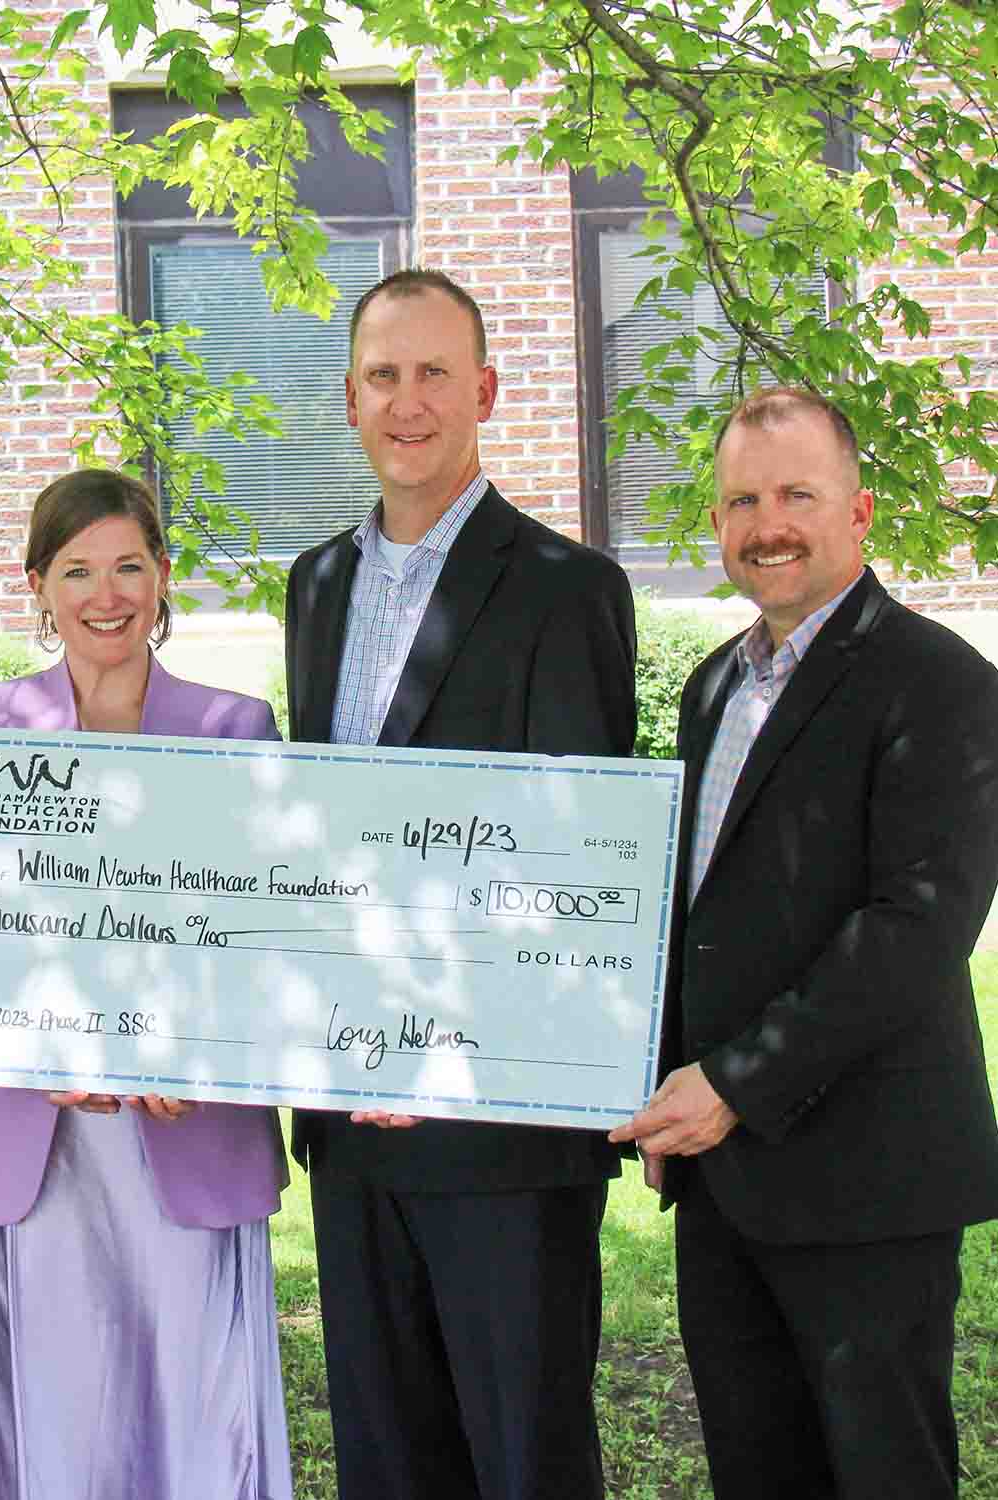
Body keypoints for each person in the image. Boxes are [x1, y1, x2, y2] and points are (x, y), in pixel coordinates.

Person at [283, 268, 637, 1500]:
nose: (408, 400)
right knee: (386, 1463)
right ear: (350, 400)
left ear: (482, 391)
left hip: (499, 1129)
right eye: (384, 375)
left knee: (522, 1459)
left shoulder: (565, 589)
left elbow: (571, 863)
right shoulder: (316, 585)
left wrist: (431, 1035)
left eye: (435, 372)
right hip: (351, 1124)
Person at [610, 386, 998, 1499]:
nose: (766, 522)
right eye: (741, 499)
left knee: (884, 1473)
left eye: (796, 494)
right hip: (725, 1182)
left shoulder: (941, 683)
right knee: (754, 1468)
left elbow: (916, 927)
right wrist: (655, 1077)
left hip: (869, 1181)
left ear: (861, 509)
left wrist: (733, 1080)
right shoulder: (712, 686)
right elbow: (703, 912)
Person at [0, 467, 293, 1500]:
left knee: (191, 1413)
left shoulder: (235, 727)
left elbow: (264, 933)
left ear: (165, 580)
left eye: (129, 566)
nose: (105, 594)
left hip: (182, 1128)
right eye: (77, 570)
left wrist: (197, 1047)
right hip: (17, 1141)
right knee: (35, 1414)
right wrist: (36, 1046)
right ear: (37, 586)